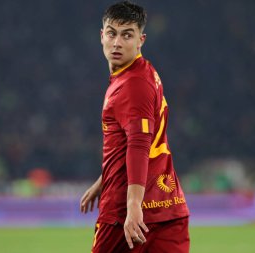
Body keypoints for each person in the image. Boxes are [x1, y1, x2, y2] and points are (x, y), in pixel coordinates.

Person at [79, 1, 190, 252]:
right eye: (112, 33)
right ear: (101, 36)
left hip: (126, 216)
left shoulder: (131, 85)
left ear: (141, 39)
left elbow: (139, 145)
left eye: (127, 35)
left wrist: (133, 206)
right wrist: (103, 180)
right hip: (168, 208)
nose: (117, 43)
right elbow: (134, 140)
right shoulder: (144, 72)